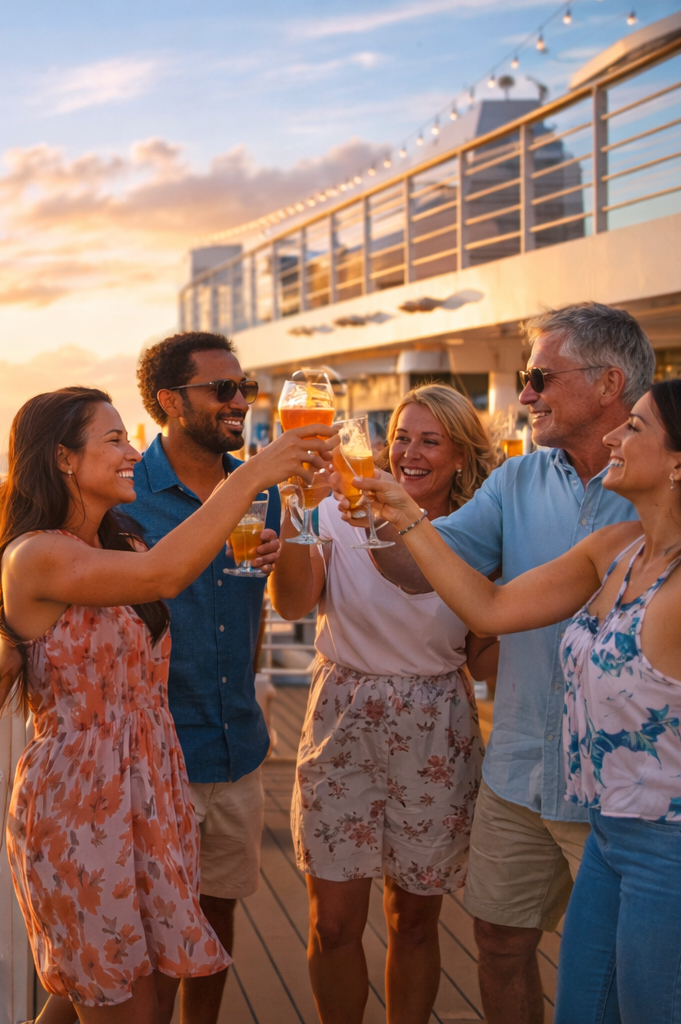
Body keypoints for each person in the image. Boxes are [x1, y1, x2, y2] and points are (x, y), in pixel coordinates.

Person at [0, 386, 335, 1023]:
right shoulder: (38, 555)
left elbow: (179, 575)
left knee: (97, 997)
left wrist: (265, 550)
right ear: (65, 459)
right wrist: (258, 470)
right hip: (83, 804)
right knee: (119, 1002)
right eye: (114, 439)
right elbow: (162, 580)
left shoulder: (122, 542)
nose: (131, 452)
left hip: (150, 790)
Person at [355, 302, 653, 1023]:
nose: (524, 394)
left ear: (610, 382)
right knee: (498, 941)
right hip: (521, 768)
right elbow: (422, 568)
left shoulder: (655, 495)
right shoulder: (515, 484)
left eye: (539, 376)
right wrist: (368, 510)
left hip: (624, 788)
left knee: (626, 968)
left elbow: (479, 603)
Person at [270, 385, 499, 1024]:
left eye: (430, 440)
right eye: (400, 436)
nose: (409, 452)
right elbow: (291, 605)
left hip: (436, 726)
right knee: (334, 922)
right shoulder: (340, 511)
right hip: (343, 713)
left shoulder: (478, 531)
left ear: (460, 456)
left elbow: (485, 651)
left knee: (415, 921)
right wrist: (297, 512)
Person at [124, 332, 284, 1024]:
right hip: (158, 752)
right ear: (169, 401)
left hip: (237, 745)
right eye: (222, 390)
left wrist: (291, 543)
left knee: (217, 909)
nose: (238, 402)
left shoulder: (261, 490)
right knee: (155, 930)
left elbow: (272, 610)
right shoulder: (124, 495)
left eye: (242, 389)